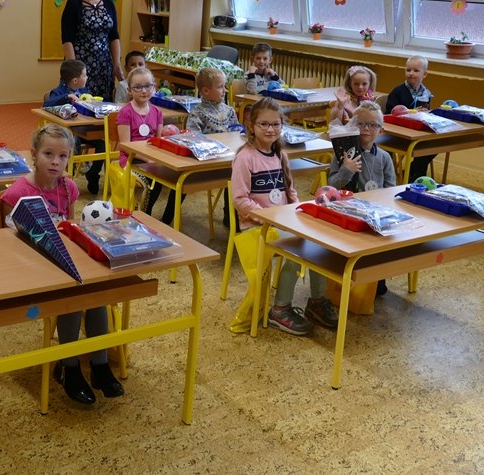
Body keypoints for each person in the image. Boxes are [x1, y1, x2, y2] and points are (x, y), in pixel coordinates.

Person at [0, 124, 123, 405]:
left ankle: (100, 365)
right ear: (33, 154)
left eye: (63, 156)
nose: (55, 162)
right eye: (48, 154)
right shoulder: (17, 192)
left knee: (97, 296)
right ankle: (69, 367)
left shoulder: (68, 188)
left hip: (64, 263)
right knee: (73, 299)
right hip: (32, 272)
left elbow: (70, 228)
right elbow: (6, 245)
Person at [232, 97, 338, 335]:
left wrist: (297, 214)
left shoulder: (281, 155)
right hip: (256, 226)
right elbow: (240, 200)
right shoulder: (245, 157)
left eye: (275, 124)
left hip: (280, 221)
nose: (270, 129)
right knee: (296, 249)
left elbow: (290, 191)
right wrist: (270, 217)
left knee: (318, 242)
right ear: (251, 126)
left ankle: (317, 301)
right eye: (264, 124)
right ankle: (280, 309)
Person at [151, 66, 240, 226]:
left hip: (226, 161)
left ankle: (231, 218)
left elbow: (236, 134)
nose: (225, 90)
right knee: (182, 181)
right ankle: (166, 219)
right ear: (205, 91)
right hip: (202, 164)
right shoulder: (197, 113)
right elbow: (193, 138)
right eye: (220, 87)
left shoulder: (229, 111)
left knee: (236, 176)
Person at [327, 101, 396, 296]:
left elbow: (391, 189)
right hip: (348, 213)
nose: (366, 129)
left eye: (372, 125)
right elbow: (332, 187)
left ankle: (374, 278)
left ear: (381, 130)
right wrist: (346, 170)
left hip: (375, 215)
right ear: (352, 125)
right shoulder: (342, 154)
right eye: (361, 124)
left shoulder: (384, 157)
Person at [61, 0, 124, 101]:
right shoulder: (73, 5)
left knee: (104, 104)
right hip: (82, 66)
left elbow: (114, 36)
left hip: (104, 66)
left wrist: (116, 65)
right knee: (81, 102)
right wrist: (74, 69)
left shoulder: (108, 3)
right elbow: (67, 39)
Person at [43, 59, 102, 194]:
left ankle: (93, 173)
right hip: (67, 133)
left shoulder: (83, 90)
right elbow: (47, 104)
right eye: (85, 75)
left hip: (84, 129)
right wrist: (66, 97)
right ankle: (68, 177)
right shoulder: (58, 92)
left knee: (102, 145)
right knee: (73, 143)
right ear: (75, 80)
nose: (87, 77)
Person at [117, 67, 164, 207]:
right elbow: (125, 145)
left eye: (148, 86)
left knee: (174, 176)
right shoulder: (125, 112)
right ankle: (145, 213)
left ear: (154, 87)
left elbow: (158, 141)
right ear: (129, 90)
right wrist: (147, 159)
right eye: (138, 87)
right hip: (131, 159)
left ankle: (168, 217)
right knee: (152, 180)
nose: (144, 91)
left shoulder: (157, 112)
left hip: (151, 157)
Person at [384, 56, 434, 180]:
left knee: (434, 145)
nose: (411, 73)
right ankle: (416, 176)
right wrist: (410, 113)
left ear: (425, 74)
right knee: (422, 147)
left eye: (416, 71)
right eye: (408, 70)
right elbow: (389, 114)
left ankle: (413, 171)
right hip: (400, 133)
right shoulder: (398, 91)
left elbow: (426, 112)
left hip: (418, 131)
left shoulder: (426, 93)